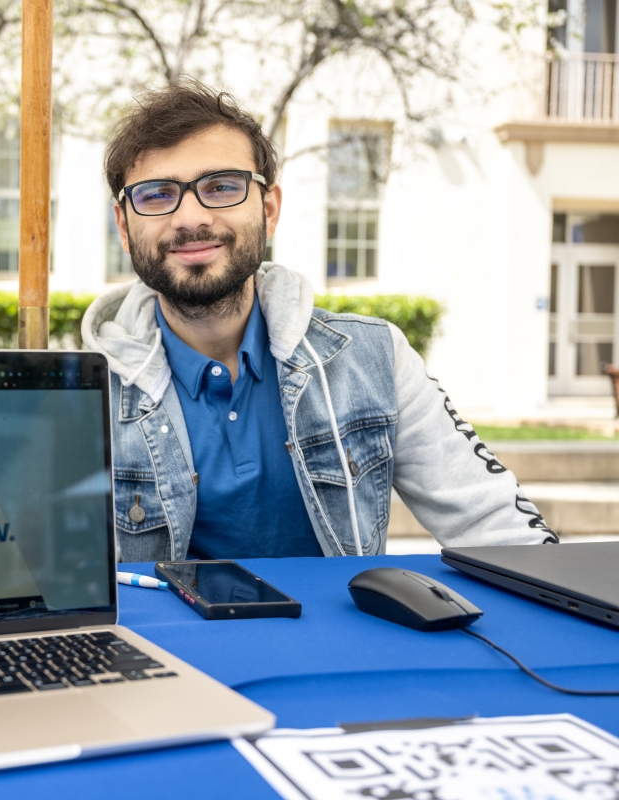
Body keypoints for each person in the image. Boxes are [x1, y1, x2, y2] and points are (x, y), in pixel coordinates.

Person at [82, 79, 555, 561]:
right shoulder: (82, 397)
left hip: (345, 638)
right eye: (157, 195)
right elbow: (44, 580)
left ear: (269, 209)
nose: (189, 216)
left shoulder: (375, 360)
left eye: (221, 187)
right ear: (124, 226)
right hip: (158, 640)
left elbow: (498, 526)